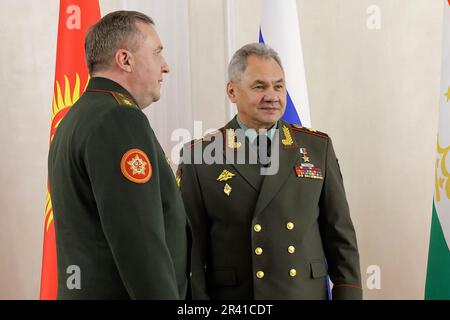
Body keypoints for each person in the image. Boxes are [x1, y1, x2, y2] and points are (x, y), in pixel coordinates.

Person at [178, 43, 362, 300]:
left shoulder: (317, 147)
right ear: (232, 91)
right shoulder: (199, 157)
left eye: (278, 86)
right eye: (259, 86)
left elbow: (340, 235)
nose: (272, 96)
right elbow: (191, 253)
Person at [48, 11, 188, 299]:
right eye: (157, 53)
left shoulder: (76, 118)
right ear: (125, 59)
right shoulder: (119, 119)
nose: (166, 66)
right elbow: (139, 242)